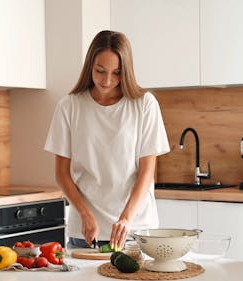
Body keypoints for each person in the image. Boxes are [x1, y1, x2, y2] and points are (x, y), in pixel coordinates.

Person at [44, 30, 170, 250]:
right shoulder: (69, 106)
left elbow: (147, 171)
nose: (107, 80)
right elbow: (62, 173)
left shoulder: (144, 105)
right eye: (100, 71)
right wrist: (85, 213)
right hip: (84, 233)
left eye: (117, 72)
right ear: (90, 66)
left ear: (126, 71)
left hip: (135, 231)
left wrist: (126, 218)